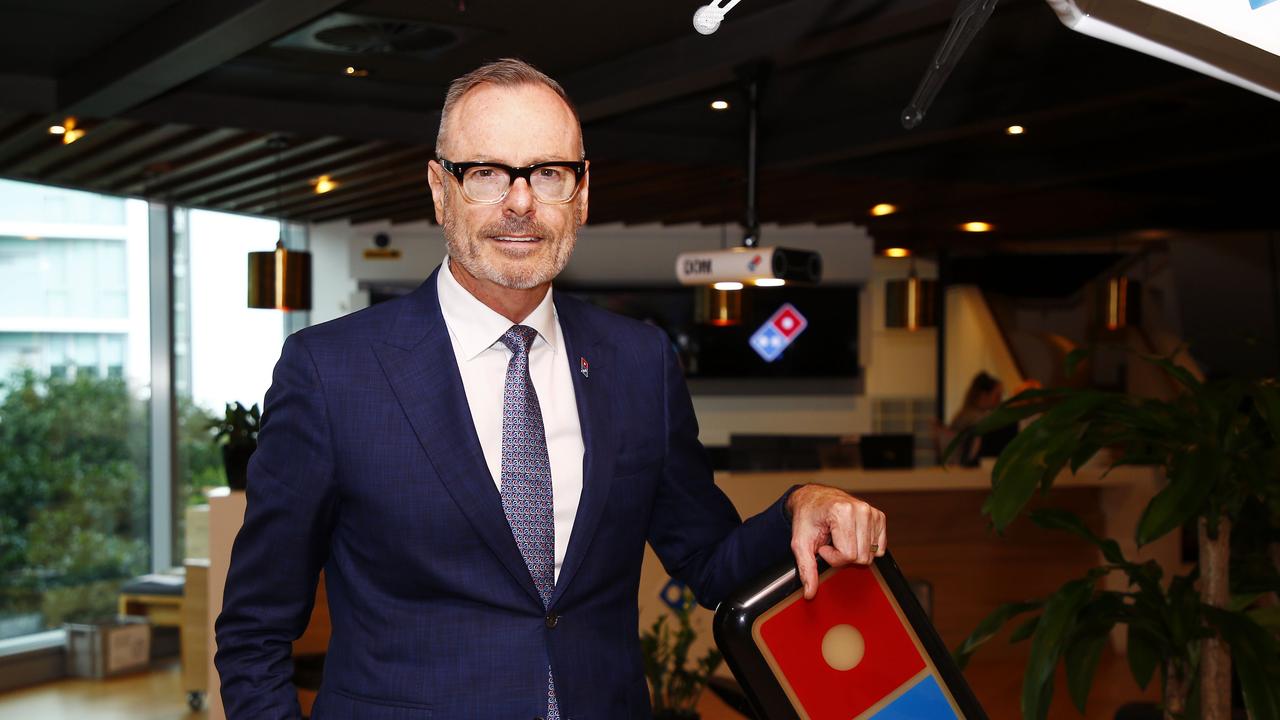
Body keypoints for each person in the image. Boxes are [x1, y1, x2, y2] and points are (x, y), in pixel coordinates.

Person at [214, 58, 887, 720]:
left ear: (583, 191)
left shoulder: (639, 363)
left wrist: (804, 505)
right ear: (438, 188)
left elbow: (709, 561)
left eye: (548, 172)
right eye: (485, 173)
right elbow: (254, 631)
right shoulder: (332, 372)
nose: (520, 201)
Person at [947, 371, 1005, 466]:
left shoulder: (964, 415)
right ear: (984, 395)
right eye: (997, 396)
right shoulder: (978, 420)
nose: (1000, 401)